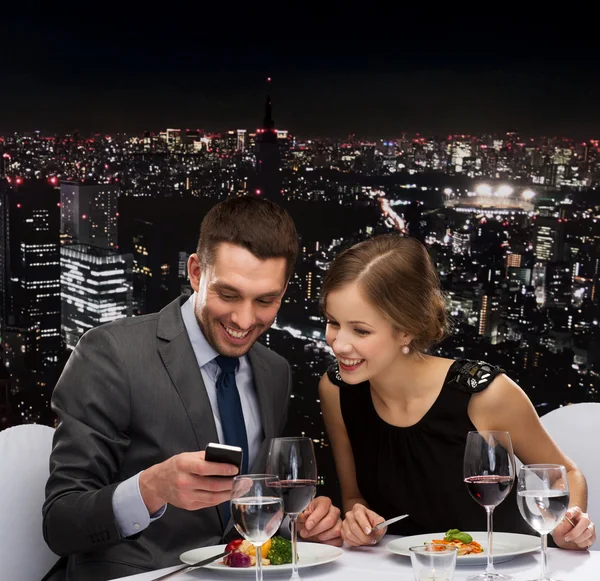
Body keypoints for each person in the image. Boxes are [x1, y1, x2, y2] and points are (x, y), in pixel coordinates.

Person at [43, 196, 342, 581]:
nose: (244, 320)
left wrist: (300, 525)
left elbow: (253, 509)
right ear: (197, 272)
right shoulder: (112, 353)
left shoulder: (274, 371)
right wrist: (151, 488)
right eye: (229, 294)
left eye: (266, 300)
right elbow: (60, 522)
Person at [318, 234, 596, 550]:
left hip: (504, 568)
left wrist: (568, 525)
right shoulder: (336, 390)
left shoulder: (484, 395)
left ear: (406, 329)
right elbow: (355, 497)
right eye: (332, 322)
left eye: (361, 330)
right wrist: (358, 519)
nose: (338, 343)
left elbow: (566, 473)